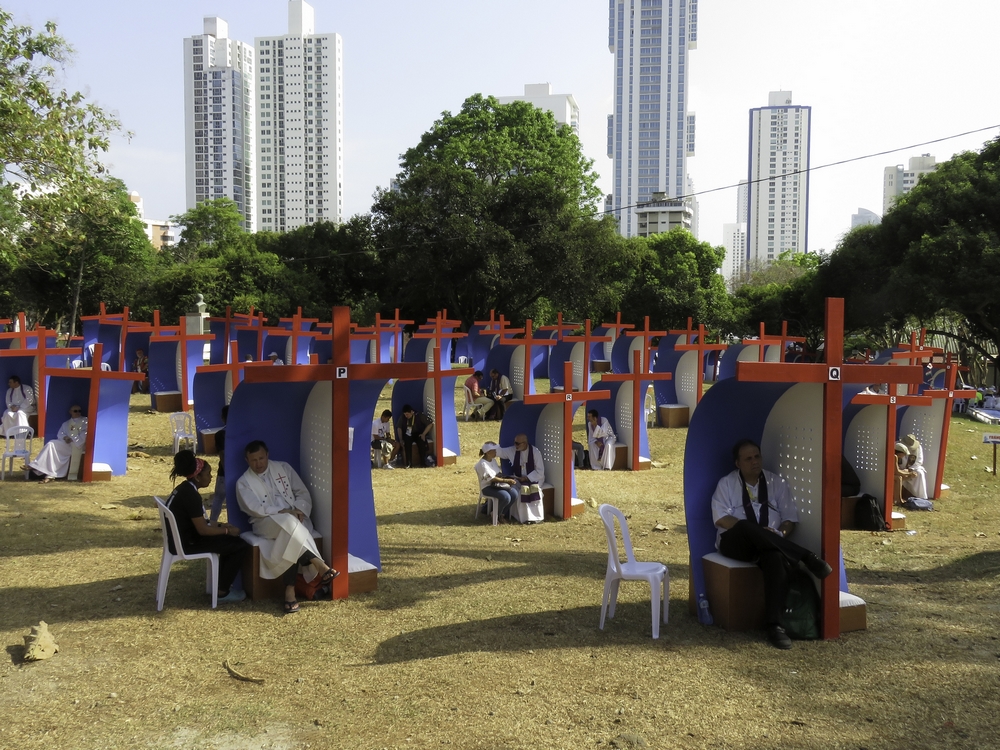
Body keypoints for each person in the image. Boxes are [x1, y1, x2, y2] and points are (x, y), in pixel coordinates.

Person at [711, 439, 833, 650]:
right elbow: (721, 518)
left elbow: (789, 520)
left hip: (770, 543)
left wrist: (778, 533)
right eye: (748, 459)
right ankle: (805, 556)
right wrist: (757, 531)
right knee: (746, 527)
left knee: (776, 558)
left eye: (757, 456)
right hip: (736, 542)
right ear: (738, 464)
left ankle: (775, 626)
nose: (754, 462)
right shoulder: (727, 484)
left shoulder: (777, 483)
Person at [235, 440, 339, 613]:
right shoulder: (243, 482)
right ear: (247, 460)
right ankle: (319, 564)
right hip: (264, 523)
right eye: (253, 460)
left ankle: (289, 591)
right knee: (290, 524)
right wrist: (284, 511)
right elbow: (254, 508)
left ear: (267, 455)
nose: (258, 463)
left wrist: (298, 510)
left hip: (295, 516)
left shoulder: (283, 468)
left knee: (291, 531)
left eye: (261, 458)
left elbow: (302, 493)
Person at [166, 449, 249, 604]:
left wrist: (221, 525)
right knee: (239, 545)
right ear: (197, 477)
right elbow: (203, 530)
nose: (211, 477)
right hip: (186, 544)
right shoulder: (191, 496)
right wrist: (227, 531)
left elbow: (202, 521)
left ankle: (220, 584)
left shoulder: (184, 489)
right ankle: (222, 592)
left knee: (229, 542)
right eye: (208, 474)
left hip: (182, 538)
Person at [26, 405, 87, 483]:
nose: (78, 413)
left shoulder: (85, 421)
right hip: (67, 444)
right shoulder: (66, 424)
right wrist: (65, 438)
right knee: (51, 444)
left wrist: (73, 439)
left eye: (79, 411)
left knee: (54, 449)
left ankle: (36, 467)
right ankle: (42, 470)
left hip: (78, 445)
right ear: (70, 412)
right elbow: (60, 434)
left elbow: (84, 434)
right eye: (75, 411)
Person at [496, 433, 545, 523]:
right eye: (515, 443)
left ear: (525, 443)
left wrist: (527, 478)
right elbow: (499, 452)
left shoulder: (535, 452)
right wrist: (492, 445)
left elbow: (540, 471)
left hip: (534, 479)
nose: (515, 445)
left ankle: (535, 518)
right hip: (518, 479)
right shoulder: (512, 450)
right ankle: (523, 518)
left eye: (518, 444)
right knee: (520, 491)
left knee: (534, 490)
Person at [474, 442, 519, 522]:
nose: (496, 452)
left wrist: (509, 477)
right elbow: (491, 479)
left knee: (514, 494)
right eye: (494, 451)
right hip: (487, 487)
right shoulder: (483, 464)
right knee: (506, 497)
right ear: (488, 452)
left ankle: (502, 514)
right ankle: (495, 514)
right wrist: (506, 480)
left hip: (497, 485)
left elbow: (498, 473)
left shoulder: (493, 460)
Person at [209, 405, 229, 524]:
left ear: (222, 418)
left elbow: (222, 455)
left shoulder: (220, 434)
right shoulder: (242, 433)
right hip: (239, 470)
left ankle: (212, 522)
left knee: (218, 498)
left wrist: (227, 471)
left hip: (224, 473)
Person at [397, 404, 433, 468]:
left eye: (407, 414)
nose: (406, 416)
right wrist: (401, 439)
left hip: (417, 433)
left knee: (421, 442)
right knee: (407, 443)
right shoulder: (403, 417)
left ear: (411, 412)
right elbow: (399, 428)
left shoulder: (419, 415)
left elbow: (430, 424)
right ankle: (409, 464)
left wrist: (424, 434)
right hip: (408, 434)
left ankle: (423, 463)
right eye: (405, 414)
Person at [900, 433, 928, 499]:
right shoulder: (897, 446)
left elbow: (919, 461)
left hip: (913, 468)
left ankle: (920, 497)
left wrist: (910, 469)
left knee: (920, 473)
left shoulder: (918, 448)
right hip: (899, 468)